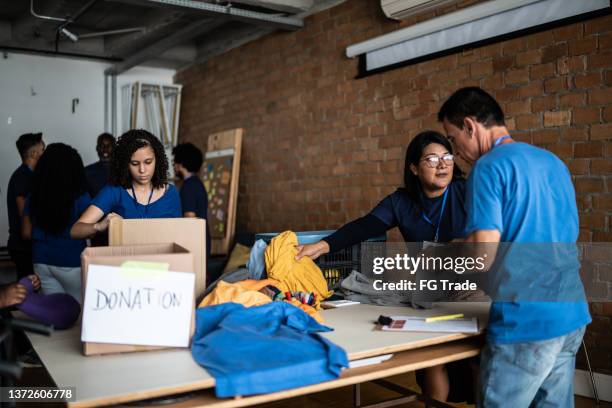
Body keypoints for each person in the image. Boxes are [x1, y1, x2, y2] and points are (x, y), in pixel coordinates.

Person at [438, 87, 591, 407]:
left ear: (470, 125)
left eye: (452, 139)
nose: (456, 151)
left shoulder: (488, 168)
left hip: (528, 322)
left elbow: (482, 256)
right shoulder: (552, 163)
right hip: (571, 312)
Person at [296, 131, 474, 404]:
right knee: (432, 358)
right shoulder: (401, 202)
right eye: (432, 158)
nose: (443, 164)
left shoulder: (467, 193)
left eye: (447, 157)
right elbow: (364, 226)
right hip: (430, 292)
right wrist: (322, 246)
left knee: (476, 357)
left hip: (471, 288)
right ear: (414, 168)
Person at [71, 129, 181, 239]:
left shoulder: (170, 193)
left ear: (157, 160)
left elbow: (178, 235)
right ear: (125, 164)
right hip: (125, 256)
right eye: (134, 163)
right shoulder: (114, 191)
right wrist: (99, 226)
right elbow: (75, 230)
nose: (142, 170)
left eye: (148, 162)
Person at [22, 143, 91, 303]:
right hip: (71, 261)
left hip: (41, 261)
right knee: (80, 314)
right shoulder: (80, 195)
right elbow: (91, 230)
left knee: (55, 314)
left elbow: (26, 232)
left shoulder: (33, 196)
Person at [6, 132, 45, 280]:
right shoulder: (23, 177)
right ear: (34, 153)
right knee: (27, 290)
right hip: (22, 246)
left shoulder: (29, 175)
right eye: (42, 149)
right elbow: (24, 214)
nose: (44, 153)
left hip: (26, 245)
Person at [172, 143, 211, 274]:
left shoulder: (188, 187)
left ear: (181, 164)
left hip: (195, 242)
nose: (174, 166)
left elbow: (190, 218)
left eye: (175, 161)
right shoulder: (197, 183)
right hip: (203, 239)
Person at [85, 133, 116, 197]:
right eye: (102, 145)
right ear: (97, 148)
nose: (105, 149)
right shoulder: (87, 172)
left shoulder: (123, 171)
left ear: (114, 148)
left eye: (109, 145)